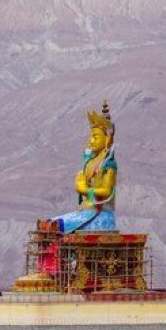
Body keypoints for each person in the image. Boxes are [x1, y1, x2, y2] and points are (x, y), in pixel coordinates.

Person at [50, 99, 117, 233]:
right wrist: (80, 180)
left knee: (59, 226)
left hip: (100, 215)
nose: (91, 141)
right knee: (49, 223)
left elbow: (107, 192)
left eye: (96, 137)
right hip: (86, 211)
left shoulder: (108, 164)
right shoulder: (90, 163)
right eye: (91, 137)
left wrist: (85, 190)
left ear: (107, 139)